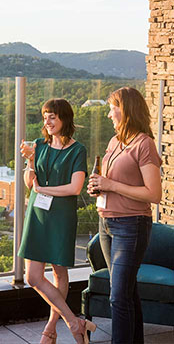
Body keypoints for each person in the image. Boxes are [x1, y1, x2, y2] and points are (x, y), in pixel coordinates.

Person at [87, 87, 162, 344]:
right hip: (106, 223)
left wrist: (110, 185)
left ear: (127, 110)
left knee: (118, 296)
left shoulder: (144, 144)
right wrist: (97, 187)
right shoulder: (114, 142)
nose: (109, 114)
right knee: (126, 293)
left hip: (131, 225)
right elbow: (110, 182)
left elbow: (154, 193)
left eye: (112, 108)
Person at [18, 98, 95, 344]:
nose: (47, 122)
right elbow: (29, 184)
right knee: (33, 277)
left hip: (61, 216)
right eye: (45, 117)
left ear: (65, 119)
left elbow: (75, 188)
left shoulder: (77, 149)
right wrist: (29, 162)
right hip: (38, 215)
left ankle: (50, 328)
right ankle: (75, 322)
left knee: (59, 272)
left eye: (52, 117)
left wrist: (44, 190)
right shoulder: (38, 145)